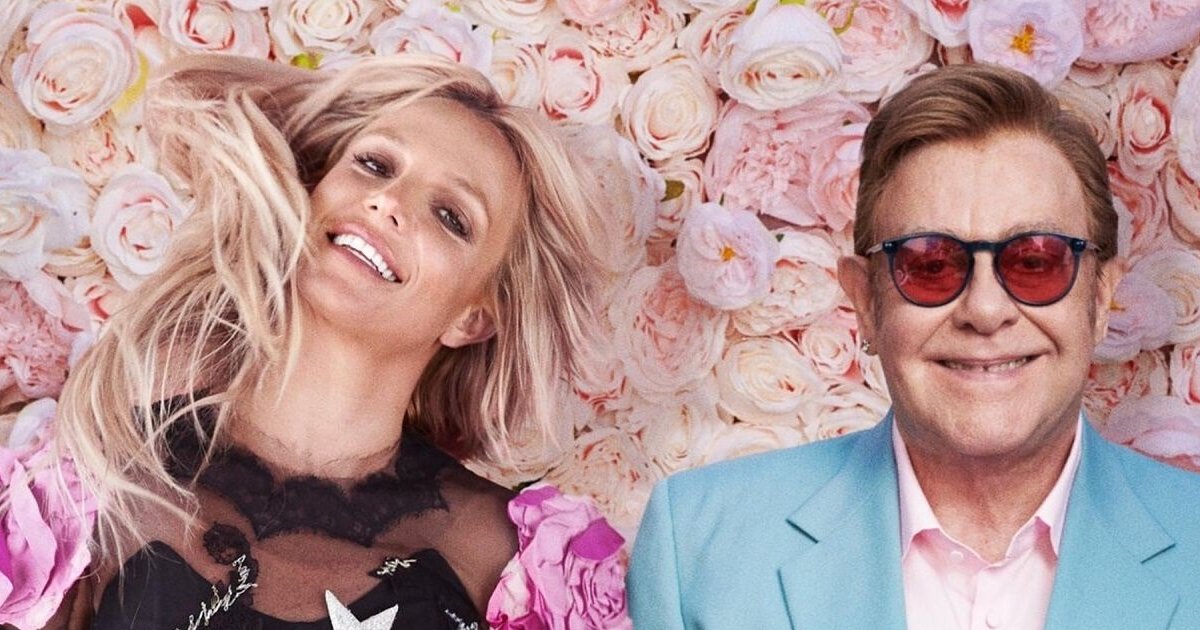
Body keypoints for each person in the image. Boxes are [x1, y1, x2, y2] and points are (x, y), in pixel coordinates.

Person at [11, 53, 629, 629]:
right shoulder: (105, 471)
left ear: (473, 318)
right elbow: (190, 94)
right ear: (312, 190)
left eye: (451, 217)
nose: (387, 201)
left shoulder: (511, 561)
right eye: (374, 164)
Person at [627, 63, 1200, 629]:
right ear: (866, 302)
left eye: (1034, 262)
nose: (984, 311)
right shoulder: (698, 549)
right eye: (930, 264)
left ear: (1100, 299)